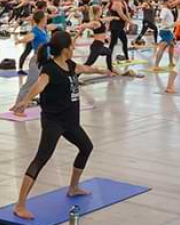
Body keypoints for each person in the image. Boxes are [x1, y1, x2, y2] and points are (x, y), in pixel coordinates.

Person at [10, 30, 111, 220]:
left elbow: (85, 69)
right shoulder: (49, 69)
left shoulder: (70, 65)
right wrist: (25, 101)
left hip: (71, 121)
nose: (73, 48)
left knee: (86, 147)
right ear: (65, 50)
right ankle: (20, 205)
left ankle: (73, 187)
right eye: (72, 46)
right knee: (41, 158)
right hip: (54, 122)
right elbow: (38, 86)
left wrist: (102, 70)